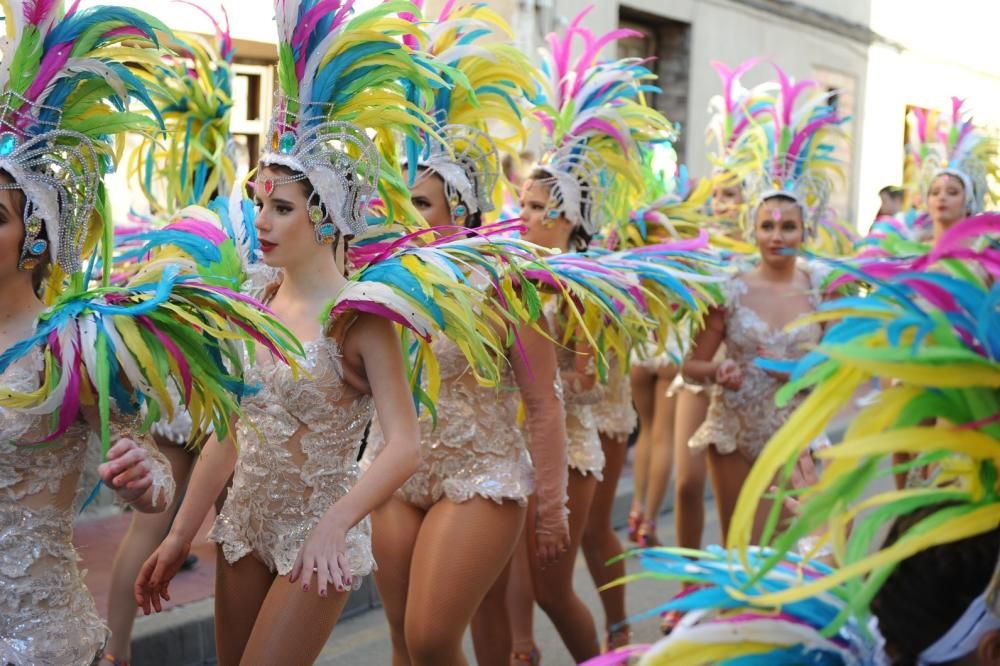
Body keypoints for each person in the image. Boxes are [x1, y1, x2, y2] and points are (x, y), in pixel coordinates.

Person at [132, 3, 508, 663]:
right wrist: (177, 535)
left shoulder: (360, 315)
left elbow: (403, 445)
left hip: (319, 537)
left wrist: (338, 522)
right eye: (260, 206)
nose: (265, 222)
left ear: (327, 219)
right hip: (243, 526)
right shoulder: (252, 299)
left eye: (282, 208)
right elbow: (227, 436)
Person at [0, 3, 298, 663]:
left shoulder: (74, 347)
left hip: (37, 644)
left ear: (35, 238)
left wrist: (144, 481)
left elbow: (155, 481)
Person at [359, 6, 571, 666]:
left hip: (480, 478)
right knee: (403, 644)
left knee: (430, 638)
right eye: (402, 200)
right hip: (397, 477)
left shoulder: (507, 284)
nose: (407, 215)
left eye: (421, 202)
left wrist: (553, 508)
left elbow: (543, 405)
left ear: (463, 212)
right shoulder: (382, 286)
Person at [505, 11, 677, 663]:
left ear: (571, 218)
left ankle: (614, 634)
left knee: (583, 541)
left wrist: (542, 376)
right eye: (522, 204)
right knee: (521, 557)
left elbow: (583, 377)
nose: (526, 217)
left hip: (589, 423)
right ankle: (524, 647)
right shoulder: (516, 269)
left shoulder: (594, 279)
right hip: (527, 424)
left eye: (541, 208)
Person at [103, 16, 236, 664]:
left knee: (150, 525)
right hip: (217, 393)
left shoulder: (171, 219)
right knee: (225, 528)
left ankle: (119, 649)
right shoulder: (234, 223)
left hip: (179, 390)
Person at [682, 60, 845, 544]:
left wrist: (805, 373)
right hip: (734, 430)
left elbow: (842, 365)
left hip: (799, 431)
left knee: (800, 548)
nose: (778, 236)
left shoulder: (822, 287)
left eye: (788, 226)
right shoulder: (729, 286)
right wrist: (719, 373)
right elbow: (691, 365)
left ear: (805, 229)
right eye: (768, 226)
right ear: (753, 230)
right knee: (744, 550)